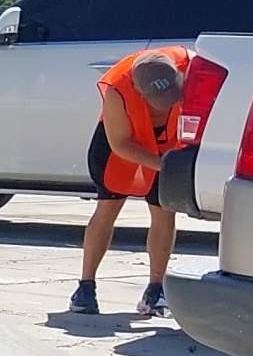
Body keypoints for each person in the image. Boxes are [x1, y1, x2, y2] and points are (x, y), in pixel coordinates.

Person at [69, 45, 189, 318]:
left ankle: (156, 289)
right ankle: (86, 287)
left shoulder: (189, 65)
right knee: (108, 207)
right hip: (121, 145)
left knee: (164, 210)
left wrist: (176, 163)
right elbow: (121, 144)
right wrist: (163, 166)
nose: (165, 105)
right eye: (157, 101)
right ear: (139, 91)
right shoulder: (117, 90)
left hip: (169, 144)